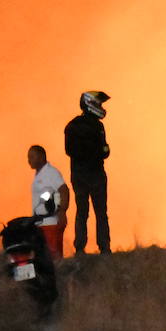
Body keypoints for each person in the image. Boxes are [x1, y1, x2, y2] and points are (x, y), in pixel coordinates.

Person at [64, 91, 111, 255]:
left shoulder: (72, 125)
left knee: (82, 212)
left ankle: (80, 248)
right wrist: (97, 152)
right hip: (95, 174)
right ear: (90, 105)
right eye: (99, 104)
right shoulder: (97, 126)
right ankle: (104, 247)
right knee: (100, 212)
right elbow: (105, 151)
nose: (101, 107)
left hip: (79, 175)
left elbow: (69, 151)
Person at [28, 144, 70, 262]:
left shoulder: (51, 172)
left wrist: (62, 211)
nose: (29, 160)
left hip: (50, 223)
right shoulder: (39, 174)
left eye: (32, 157)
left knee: (53, 257)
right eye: (28, 157)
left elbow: (64, 190)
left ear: (42, 157)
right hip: (40, 224)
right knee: (43, 258)